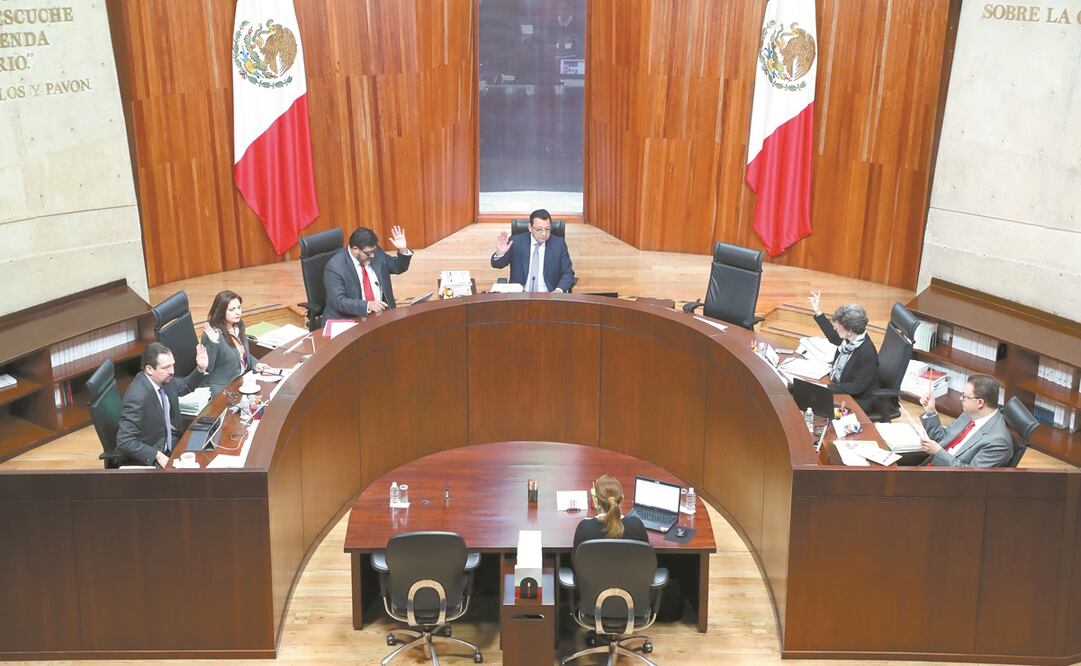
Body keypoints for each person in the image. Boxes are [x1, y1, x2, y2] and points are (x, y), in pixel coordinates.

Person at [116, 341, 208, 467]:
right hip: (155, 455)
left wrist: (200, 369)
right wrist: (156, 455)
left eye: (172, 365)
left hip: (173, 442)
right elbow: (124, 441)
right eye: (166, 367)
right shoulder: (137, 397)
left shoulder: (164, 379)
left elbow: (184, 386)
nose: (172, 371)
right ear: (149, 369)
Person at [918, 374, 1013, 467]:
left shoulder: (998, 442)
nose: (961, 398)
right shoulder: (970, 413)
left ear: (980, 403)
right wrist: (930, 411)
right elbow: (942, 438)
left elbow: (971, 475)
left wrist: (939, 452)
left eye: (965, 396)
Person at [808, 291, 879, 413]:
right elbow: (833, 336)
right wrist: (818, 311)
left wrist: (827, 387)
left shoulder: (867, 353)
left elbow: (857, 387)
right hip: (840, 385)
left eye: (838, 326)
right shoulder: (848, 339)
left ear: (850, 329)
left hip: (857, 399)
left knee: (815, 403)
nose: (835, 328)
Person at [323, 226, 412, 320]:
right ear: (355, 249)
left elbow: (397, 267)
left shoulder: (374, 252)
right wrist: (367, 305)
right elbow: (338, 301)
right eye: (369, 253)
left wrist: (403, 250)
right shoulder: (335, 267)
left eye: (374, 251)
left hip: (381, 316)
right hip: (350, 319)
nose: (373, 255)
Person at [200, 290, 270, 396]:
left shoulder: (238, 325)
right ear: (221, 312)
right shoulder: (212, 334)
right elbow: (208, 368)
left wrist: (256, 364)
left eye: (239, 307)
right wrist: (213, 343)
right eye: (232, 309)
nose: (238, 312)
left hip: (242, 380)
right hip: (223, 389)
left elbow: (241, 353)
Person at [491, 209, 574, 292]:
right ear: (530, 228)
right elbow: (497, 264)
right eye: (539, 229)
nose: (544, 233)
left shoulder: (559, 245)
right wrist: (500, 254)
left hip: (549, 296)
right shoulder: (516, 242)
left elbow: (568, 274)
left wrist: (558, 290)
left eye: (547, 229)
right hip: (519, 297)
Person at [572, 475, 650, 549]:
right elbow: (647, 555)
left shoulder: (584, 528)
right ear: (622, 498)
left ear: (597, 501)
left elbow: (575, 558)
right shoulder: (636, 525)